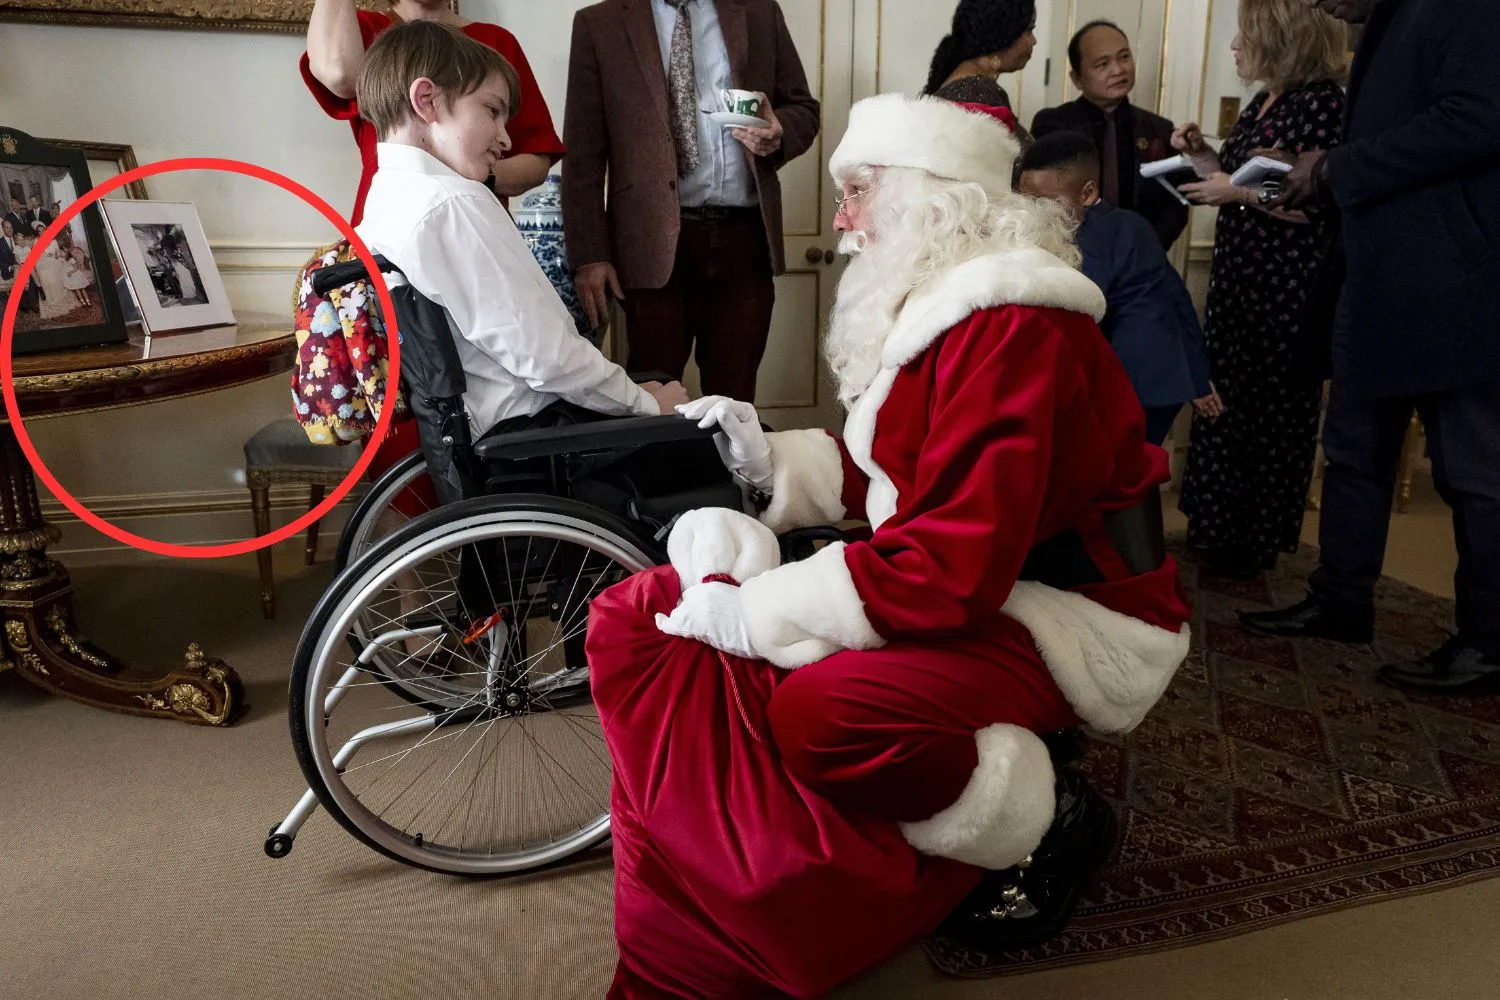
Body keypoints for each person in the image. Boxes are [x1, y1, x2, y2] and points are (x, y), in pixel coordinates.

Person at [587, 93, 1191, 998]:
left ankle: (1049, 814)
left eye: (858, 190)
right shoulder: (953, 309)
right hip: (994, 581)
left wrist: (757, 614)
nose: (839, 220)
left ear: (931, 194)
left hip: (1080, 613)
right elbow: (906, 478)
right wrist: (770, 459)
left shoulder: (1011, 324)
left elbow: (952, 563)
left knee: (827, 714)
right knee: (698, 636)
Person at [1242, 0, 1500, 694]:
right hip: (1373, 273)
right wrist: (1315, 176)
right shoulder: (1388, 18)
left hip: (1455, 282)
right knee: (1353, 450)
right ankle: (1342, 598)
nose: (1320, 4)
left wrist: (1334, 168)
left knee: (1475, 474)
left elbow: (1477, 119)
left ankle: (1488, 641)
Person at [352, 20, 689, 443]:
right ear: (427, 101)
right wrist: (644, 405)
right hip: (539, 436)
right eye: (492, 111)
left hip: (493, 432)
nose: (506, 138)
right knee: (729, 439)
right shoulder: (453, 204)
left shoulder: (385, 202)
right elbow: (546, 358)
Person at [561, 0, 820, 404]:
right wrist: (590, 254)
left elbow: (803, 109)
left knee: (735, 405)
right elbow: (582, 153)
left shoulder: (759, 12)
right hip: (649, 248)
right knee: (653, 404)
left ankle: (731, 471)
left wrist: (778, 131)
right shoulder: (600, 24)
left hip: (744, 241)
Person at [1170, 0, 1346, 580]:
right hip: (1240, 284)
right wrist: (1201, 157)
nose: (1234, 46)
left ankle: (1251, 538)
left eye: (1245, 33)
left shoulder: (1321, 105)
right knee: (1228, 405)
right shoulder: (1266, 99)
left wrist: (1238, 195)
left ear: (1279, 36)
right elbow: (1242, 176)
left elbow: (1318, 208)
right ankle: (1217, 526)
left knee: (1268, 416)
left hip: (1284, 292)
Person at [1018, 131, 1221, 445]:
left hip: (1134, 384)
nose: (1034, 213)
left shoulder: (1094, 237)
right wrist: (1197, 375)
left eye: (1046, 203)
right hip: (1162, 382)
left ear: (1087, 193)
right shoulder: (1130, 223)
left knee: (1117, 480)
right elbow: (1177, 295)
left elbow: (1081, 307)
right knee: (1137, 474)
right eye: (1027, 200)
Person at [302, 0, 563, 227]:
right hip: (388, 221)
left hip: (474, 224)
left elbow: (535, 160)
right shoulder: (368, 31)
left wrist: (467, 174)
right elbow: (338, 73)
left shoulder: (495, 41)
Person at [1031, 20, 1189, 250]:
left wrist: (1150, 244)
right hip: (1069, 253)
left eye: (1124, 57)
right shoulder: (1053, 124)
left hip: (1140, 255)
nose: (1118, 70)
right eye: (1102, 64)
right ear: (1077, 78)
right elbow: (1039, 196)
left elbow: (1176, 200)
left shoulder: (1159, 129)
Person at [923, 0, 1038, 101]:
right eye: (1029, 30)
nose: (1033, 41)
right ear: (1002, 34)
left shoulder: (961, 80)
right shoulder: (980, 94)